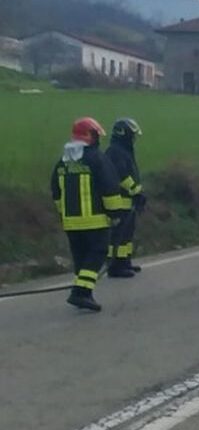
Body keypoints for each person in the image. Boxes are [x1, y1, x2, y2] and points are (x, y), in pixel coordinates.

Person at [51, 117, 126, 311]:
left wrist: (63, 215)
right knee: (98, 253)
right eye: (96, 135)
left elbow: (56, 193)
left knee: (81, 258)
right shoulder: (97, 158)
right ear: (89, 136)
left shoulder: (63, 161)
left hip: (70, 222)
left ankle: (84, 292)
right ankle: (81, 293)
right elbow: (109, 187)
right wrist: (116, 213)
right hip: (94, 220)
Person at [105, 117, 146, 278]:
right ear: (124, 134)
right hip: (119, 201)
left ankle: (125, 261)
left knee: (127, 235)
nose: (134, 139)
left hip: (127, 201)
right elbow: (122, 176)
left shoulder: (123, 150)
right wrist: (136, 191)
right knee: (118, 236)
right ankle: (115, 266)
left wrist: (137, 195)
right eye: (132, 135)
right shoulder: (115, 152)